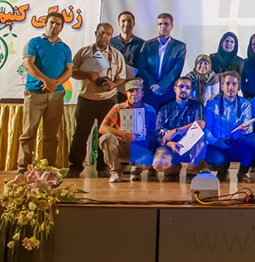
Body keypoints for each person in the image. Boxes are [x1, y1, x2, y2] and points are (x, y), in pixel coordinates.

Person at [66, 22, 126, 178]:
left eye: (108, 34)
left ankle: (103, 167)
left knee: (105, 135)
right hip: (86, 99)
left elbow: (121, 77)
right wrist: (87, 75)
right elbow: (72, 72)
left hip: (108, 99)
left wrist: (113, 84)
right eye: (101, 33)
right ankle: (75, 167)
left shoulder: (117, 55)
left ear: (111, 36)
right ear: (96, 33)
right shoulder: (83, 52)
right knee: (80, 134)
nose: (104, 36)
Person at [18, 12, 73, 172]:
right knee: (28, 132)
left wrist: (55, 83)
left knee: (51, 135)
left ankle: (48, 167)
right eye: (51, 23)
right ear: (45, 24)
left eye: (58, 24)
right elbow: (28, 65)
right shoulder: (34, 43)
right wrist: (45, 80)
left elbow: (69, 71)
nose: (54, 26)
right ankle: (23, 167)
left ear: (61, 28)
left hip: (56, 95)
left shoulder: (65, 48)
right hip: (34, 93)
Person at [97, 79, 158, 182]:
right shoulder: (118, 108)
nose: (134, 93)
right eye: (131, 91)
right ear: (126, 93)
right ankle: (115, 171)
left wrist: (146, 134)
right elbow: (102, 128)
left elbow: (155, 134)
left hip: (140, 147)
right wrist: (124, 134)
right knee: (106, 138)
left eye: (137, 90)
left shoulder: (149, 110)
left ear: (142, 93)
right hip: (121, 146)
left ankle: (136, 171)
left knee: (148, 157)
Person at [204, 71, 255, 182]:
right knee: (215, 160)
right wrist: (215, 142)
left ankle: (243, 172)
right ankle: (222, 170)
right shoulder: (212, 104)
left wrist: (241, 131)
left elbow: (249, 128)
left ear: (239, 87)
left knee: (251, 139)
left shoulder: (245, 104)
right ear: (222, 86)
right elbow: (206, 129)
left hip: (236, 143)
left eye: (234, 84)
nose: (231, 87)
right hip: (218, 144)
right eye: (227, 84)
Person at [152, 77, 207, 182]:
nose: (184, 90)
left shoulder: (197, 106)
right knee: (158, 163)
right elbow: (158, 132)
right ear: (175, 88)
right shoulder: (165, 108)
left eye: (187, 87)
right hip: (171, 146)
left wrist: (176, 131)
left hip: (191, 146)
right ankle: (173, 169)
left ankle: (192, 171)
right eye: (181, 86)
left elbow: (200, 124)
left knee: (201, 140)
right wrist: (170, 143)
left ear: (191, 90)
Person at [137, 13, 186, 111]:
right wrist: (152, 85)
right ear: (157, 26)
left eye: (166, 24)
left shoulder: (179, 46)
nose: (163, 26)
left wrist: (162, 86)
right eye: (160, 24)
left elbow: (176, 69)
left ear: (171, 26)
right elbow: (142, 68)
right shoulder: (147, 45)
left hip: (168, 92)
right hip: (149, 92)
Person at [109, 11, 145, 102]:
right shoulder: (110, 43)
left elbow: (143, 66)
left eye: (129, 21)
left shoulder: (142, 44)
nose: (126, 24)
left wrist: (136, 77)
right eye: (123, 21)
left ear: (134, 23)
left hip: (133, 88)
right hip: (114, 88)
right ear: (118, 23)